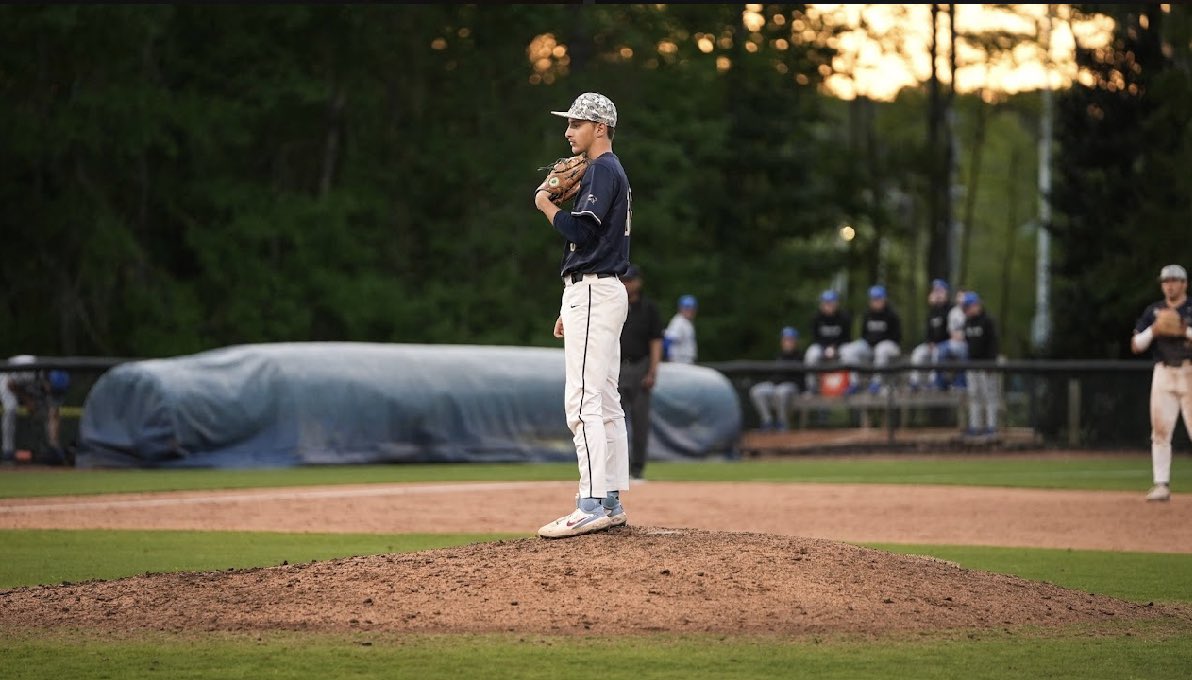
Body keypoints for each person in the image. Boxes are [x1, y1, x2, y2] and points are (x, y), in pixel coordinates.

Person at [532, 92, 631, 538]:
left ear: (601, 128)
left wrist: (546, 204)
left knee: (584, 399)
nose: (568, 131)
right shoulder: (610, 172)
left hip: (594, 292)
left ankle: (591, 502)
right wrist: (566, 306)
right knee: (606, 399)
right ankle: (608, 497)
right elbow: (593, 243)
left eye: (577, 124)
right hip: (597, 291)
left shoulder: (603, 170)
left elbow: (581, 230)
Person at [1130, 264, 1192, 502]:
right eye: (1166, 281)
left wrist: (1184, 329)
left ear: (1184, 284)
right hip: (1164, 372)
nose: (1170, 285)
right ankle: (1161, 485)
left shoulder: (1190, 309)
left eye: (1175, 280)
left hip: (1189, 371)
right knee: (1160, 431)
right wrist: (1155, 329)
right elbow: (1137, 345)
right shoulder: (1154, 311)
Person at [617, 264, 663, 482]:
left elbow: (656, 340)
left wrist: (653, 370)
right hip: (616, 366)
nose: (627, 284)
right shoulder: (614, 305)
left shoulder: (648, 308)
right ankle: (617, 470)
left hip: (639, 367)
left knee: (639, 422)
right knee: (615, 421)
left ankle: (637, 470)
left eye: (630, 280)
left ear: (638, 282)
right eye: (624, 280)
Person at [1, 355, 69, 464]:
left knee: (47, 413)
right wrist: (27, 400)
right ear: (48, 383)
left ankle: (50, 448)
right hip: (7, 377)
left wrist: (54, 443)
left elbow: (54, 412)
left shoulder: (53, 378)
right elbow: (11, 385)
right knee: (11, 408)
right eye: (52, 391)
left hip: (26, 384)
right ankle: (7, 451)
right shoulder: (29, 372)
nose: (52, 393)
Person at [839, 285, 902, 395]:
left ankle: (876, 383)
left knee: (881, 349)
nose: (875, 301)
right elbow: (864, 335)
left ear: (884, 299)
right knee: (847, 350)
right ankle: (854, 383)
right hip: (870, 346)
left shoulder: (892, 315)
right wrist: (869, 344)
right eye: (873, 299)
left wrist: (877, 343)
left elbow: (896, 337)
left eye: (878, 298)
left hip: (890, 347)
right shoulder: (867, 314)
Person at [749, 326, 804, 431]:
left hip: (791, 387)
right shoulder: (779, 355)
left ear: (795, 341)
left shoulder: (800, 356)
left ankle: (782, 422)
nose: (787, 342)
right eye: (785, 339)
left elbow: (800, 379)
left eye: (790, 339)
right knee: (756, 391)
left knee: (781, 391)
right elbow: (775, 375)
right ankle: (767, 420)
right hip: (775, 385)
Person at [961, 292, 1000, 439]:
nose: (967, 310)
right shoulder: (967, 322)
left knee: (989, 395)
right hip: (972, 364)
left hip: (986, 364)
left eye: (968, 306)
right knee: (974, 395)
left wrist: (991, 363)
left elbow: (993, 344)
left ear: (977, 305)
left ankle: (992, 427)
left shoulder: (987, 321)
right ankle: (975, 427)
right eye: (965, 307)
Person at [803, 290, 852, 395]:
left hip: (840, 346)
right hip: (822, 346)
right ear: (821, 304)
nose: (829, 306)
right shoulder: (816, 318)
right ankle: (811, 387)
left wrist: (834, 348)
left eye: (831, 302)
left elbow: (847, 338)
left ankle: (851, 386)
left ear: (836, 303)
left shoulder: (844, 317)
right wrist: (825, 348)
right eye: (826, 303)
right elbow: (815, 338)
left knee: (849, 353)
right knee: (811, 354)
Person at [909, 279, 953, 391]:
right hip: (932, 345)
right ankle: (914, 382)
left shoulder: (951, 310)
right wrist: (929, 342)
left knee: (937, 352)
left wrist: (937, 344)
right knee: (918, 352)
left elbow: (950, 331)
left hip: (946, 345)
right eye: (935, 291)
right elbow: (928, 332)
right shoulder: (931, 312)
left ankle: (934, 382)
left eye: (940, 291)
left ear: (946, 293)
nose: (937, 294)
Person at [936, 287, 970, 390]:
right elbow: (951, 331)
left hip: (966, 343)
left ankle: (960, 384)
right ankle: (940, 384)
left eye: (962, 297)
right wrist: (957, 336)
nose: (960, 299)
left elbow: (969, 332)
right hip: (953, 341)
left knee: (963, 353)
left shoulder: (969, 311)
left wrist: (963, 336)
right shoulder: (953, 312)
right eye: (959, 296)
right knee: (940, 350)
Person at [664, 294, 698, 363]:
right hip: (679, 360)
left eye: (692, 308)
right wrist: (667, 357)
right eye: (686, 308)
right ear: (680, 308)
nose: (690, 310)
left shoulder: (686, 322)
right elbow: (668, 340)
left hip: (686, 359)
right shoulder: (678, 322)